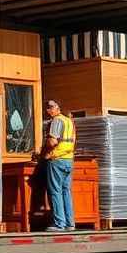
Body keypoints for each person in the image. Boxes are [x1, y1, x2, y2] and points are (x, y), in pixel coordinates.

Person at [42, 99, 75, 232]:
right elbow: (73, 140)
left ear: (56, 108)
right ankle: (70, 223)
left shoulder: (56, 121)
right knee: (66, 191)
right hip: (68, 159)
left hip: (57, 159)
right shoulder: (69, 121)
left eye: (50, 107)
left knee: (55, 191)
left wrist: (45, 151)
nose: (48, 110)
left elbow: (53, 141)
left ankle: (59, 224)